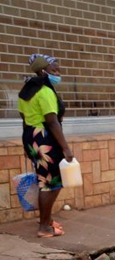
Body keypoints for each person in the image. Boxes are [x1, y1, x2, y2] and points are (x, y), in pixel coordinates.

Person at [17, 53, 74, 238]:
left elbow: (24, 120)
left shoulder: (26, 91)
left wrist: (27, 145)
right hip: (45, 138)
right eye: (54, 70)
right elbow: (52, 121)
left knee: (45, 181)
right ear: (43, 71)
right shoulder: (45, 91)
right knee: (51, 183)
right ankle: (44, 227)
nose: (58, 73)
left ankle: (47, 220)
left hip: (31, 137)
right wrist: (65, 147)